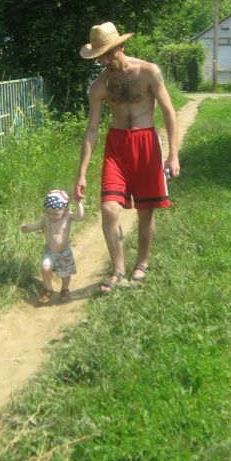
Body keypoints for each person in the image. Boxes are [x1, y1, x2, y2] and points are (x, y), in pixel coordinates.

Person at [74, 22, 180, 293]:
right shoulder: (99, 86)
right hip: (117, 147)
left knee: (146, 210)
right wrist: (82, 173)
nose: (105, 61)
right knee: (109, 209)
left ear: (121, 46)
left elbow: (169, 112)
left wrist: (173, 155)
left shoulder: (148, 72)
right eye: (100, 57)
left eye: (108, 54)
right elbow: (92, 130)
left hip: (146, 144)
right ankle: (118, 269)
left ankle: (142, 263)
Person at [21, 189, 85, 303]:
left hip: (64, 252)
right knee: (45, 268)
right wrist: (29, 228)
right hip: (49, 251)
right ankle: (48, 289)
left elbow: (80, 217)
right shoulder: (47, 217)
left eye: (55, 213)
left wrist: (78, 204)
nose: (51, 215)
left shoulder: (68, 217)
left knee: (66, 273)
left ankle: (65, 289)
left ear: (65, 210)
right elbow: (39, 225)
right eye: (48, 212)